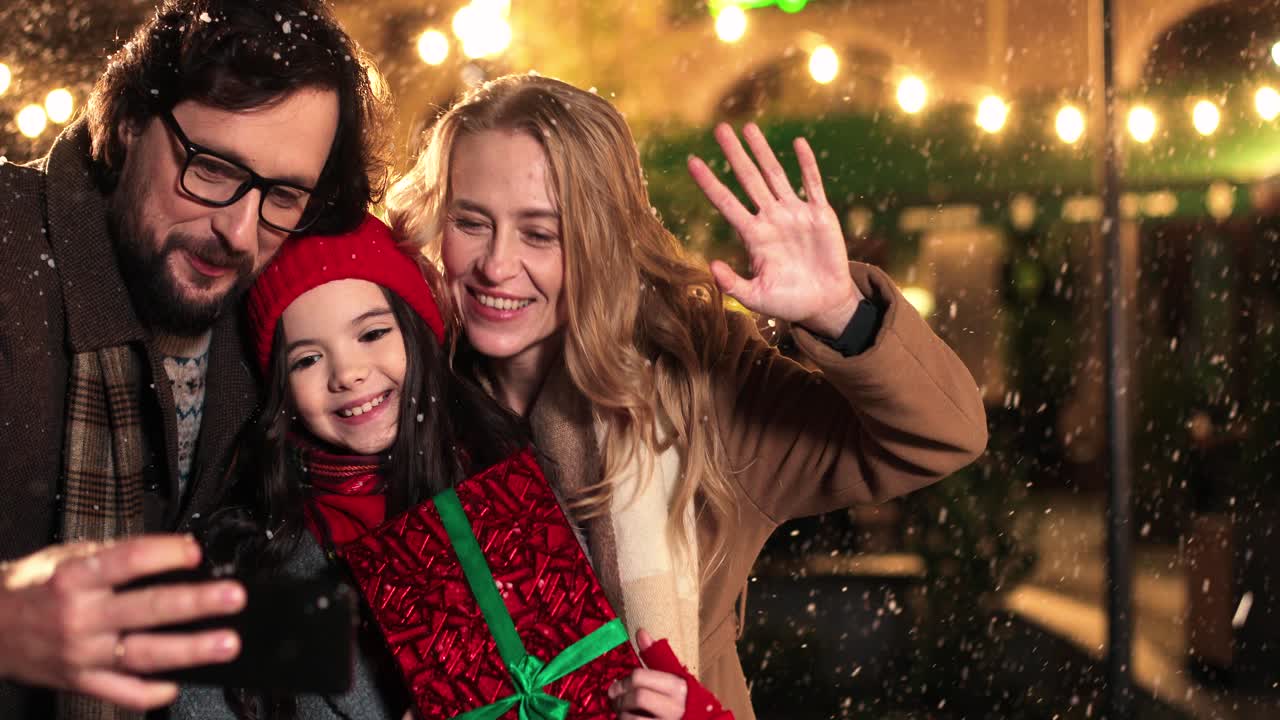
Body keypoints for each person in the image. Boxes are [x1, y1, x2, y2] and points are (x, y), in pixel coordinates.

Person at [387, 73, 988, 720]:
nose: (496, 264)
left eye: (540, 233)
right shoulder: (388, 386)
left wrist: (840, 312)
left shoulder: (702, 390)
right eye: (470, 222)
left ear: (602, 238)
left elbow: (939, 435)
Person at [0, 0, 392, 715]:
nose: (238, 233)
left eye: (283, 195)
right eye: (212, 169)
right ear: (127, 124)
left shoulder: (281, 324)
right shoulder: (9, 253)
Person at [172, 214, 524, 720]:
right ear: (280, 391)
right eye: (308, 360)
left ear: (415, 332)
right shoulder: (238, 571)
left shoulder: (507, 491)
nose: (349, 373)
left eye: (372, 333)